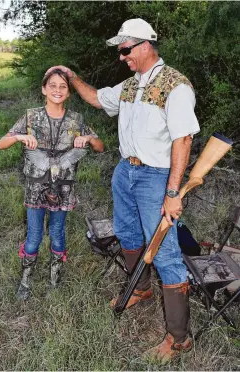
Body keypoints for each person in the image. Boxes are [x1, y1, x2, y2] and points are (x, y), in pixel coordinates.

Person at [47, 18, 200, 363]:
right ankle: (141, 289)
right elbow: (99, 99)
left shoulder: (175, 86)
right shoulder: (132, 84)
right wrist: (71, 77)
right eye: (120, 50)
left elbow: (183, 138)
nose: (122, 56)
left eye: (126, 49)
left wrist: (172, 192)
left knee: (165, 252)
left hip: (156, 177)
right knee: (129, 233)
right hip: (125, 171)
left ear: (145, 45)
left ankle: (178, 339)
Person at [0, 69, 104, 300]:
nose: (57, 90)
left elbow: (99, 146)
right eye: (52, 85)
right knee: (34, 234)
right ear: (44, 89)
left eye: (63, 86)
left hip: (64, 189)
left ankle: (55, 279)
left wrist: (87, 138)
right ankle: (25, 281)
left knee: (57, 233)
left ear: (68, 92)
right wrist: (18, 137)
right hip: (35, 188)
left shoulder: (76, 120)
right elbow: (1, 143)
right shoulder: (31, 117)